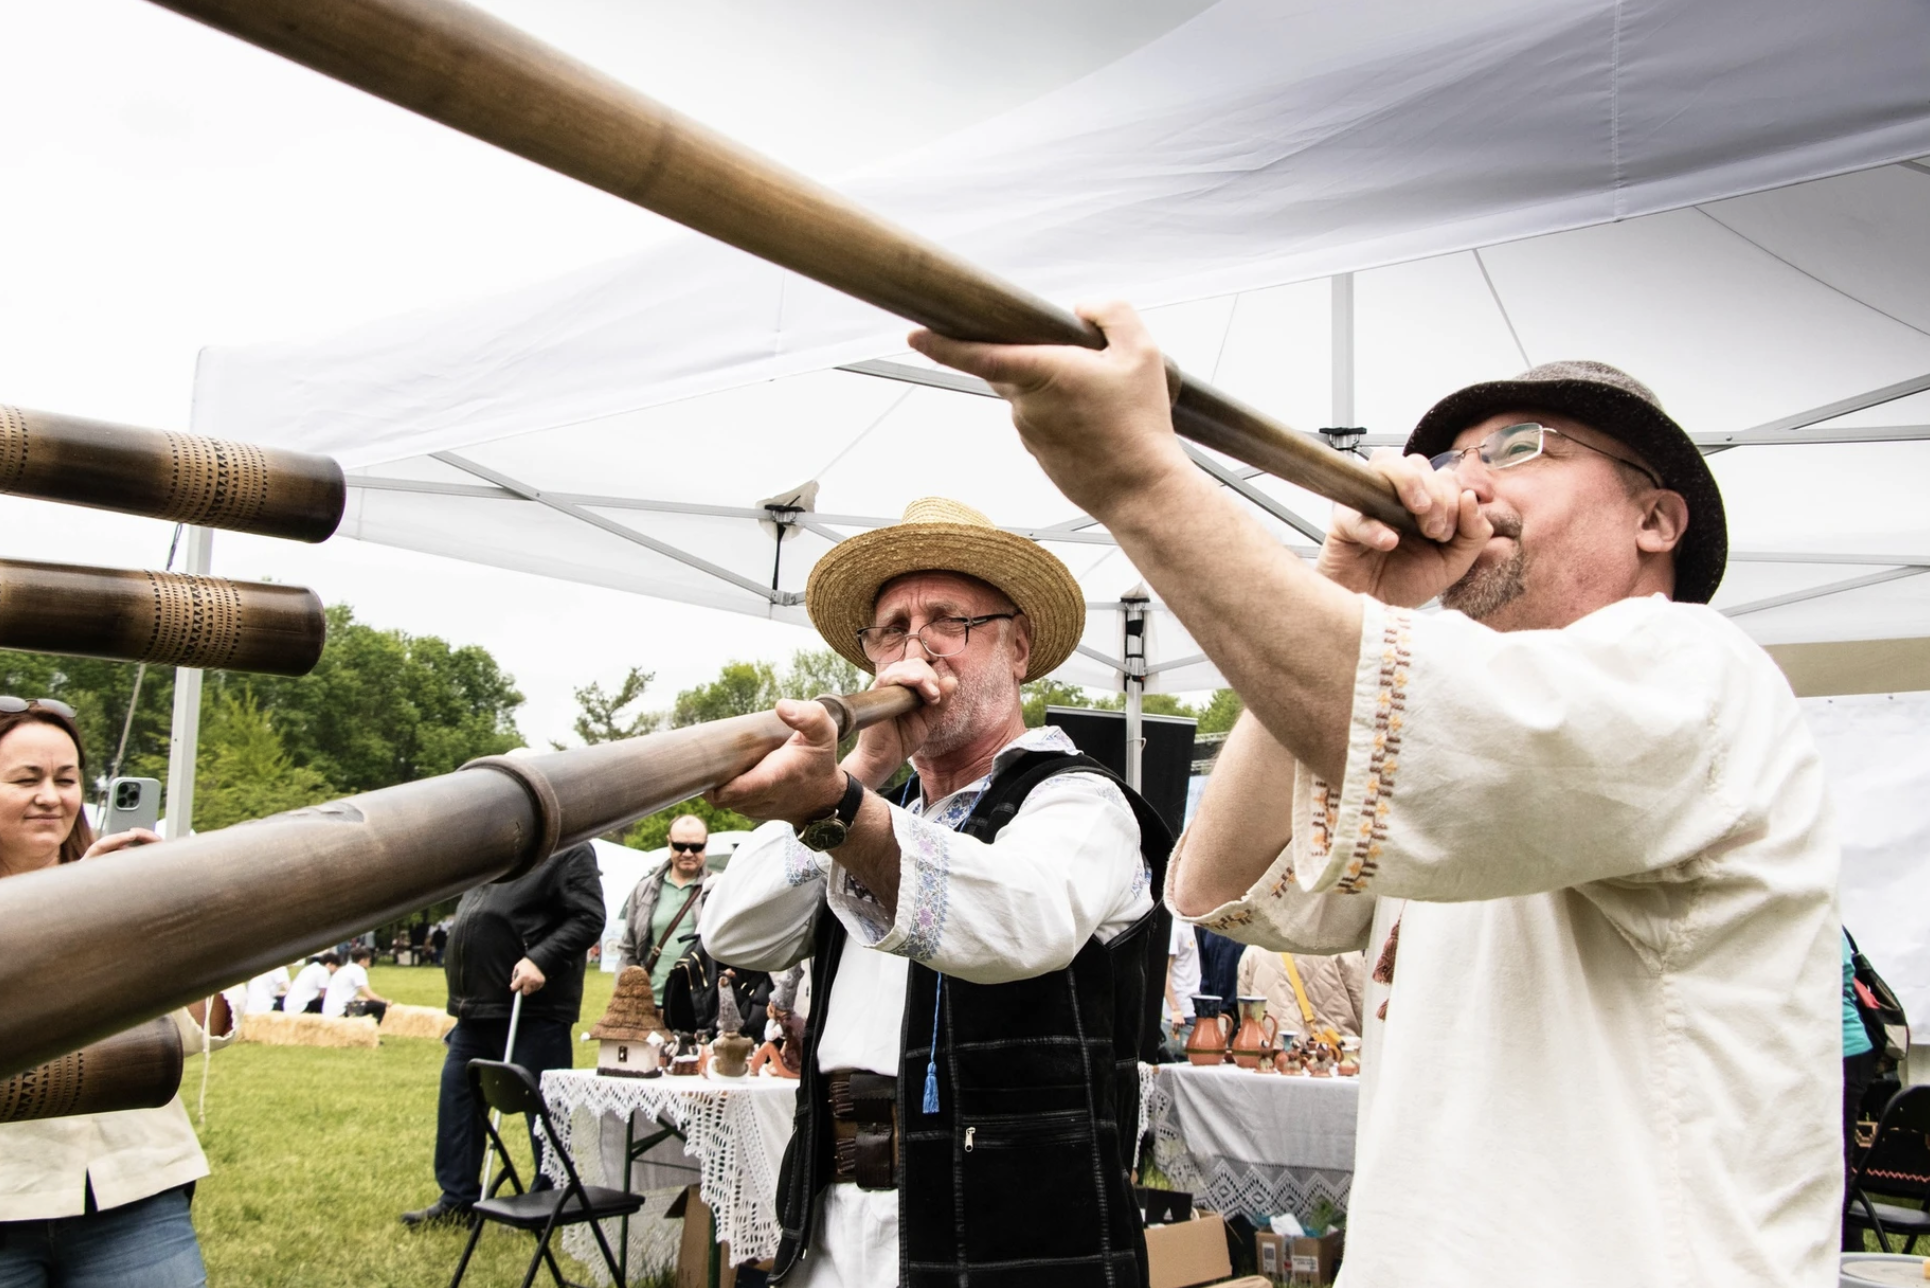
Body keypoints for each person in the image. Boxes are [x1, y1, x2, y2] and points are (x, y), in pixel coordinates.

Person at [911, 313, 1841, 1285]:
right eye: (1454, 455)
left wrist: (1137, 478)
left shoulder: (1692, 668)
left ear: (1654, 520)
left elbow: (1377, 706)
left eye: (1519, 449)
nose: (1464, 480)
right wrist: (1352, 588)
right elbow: (1216, 876)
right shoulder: (1464, 729)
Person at [698, 498, 1171, 1288]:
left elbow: (1023, 918)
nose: (915, 648)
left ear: (1017, 648)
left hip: (1011, 1236)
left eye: (948, 619)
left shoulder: (1080, 801)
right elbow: (733, 932)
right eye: (892, 628)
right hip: (837, 1224)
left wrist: (840, 809)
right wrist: (861, 771)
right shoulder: (864, 807)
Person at [0, 696, 235, 1287]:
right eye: (25, 779)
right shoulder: (91, 885)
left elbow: (203, 1035)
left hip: (132, 1189)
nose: (51, 797)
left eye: (67, 778)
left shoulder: (121, 885)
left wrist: (179, 920)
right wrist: (77, 900)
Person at [399, 839, 605, 1228]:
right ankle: (458, 1198)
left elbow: (588, 917)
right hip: (475, 1008)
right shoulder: (494, 851)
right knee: (459, 1100)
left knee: (544, 1111)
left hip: (533, 1008)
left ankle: (550, 1200)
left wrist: (539, 958)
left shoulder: (570, 848)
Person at [616, 814, 711, 1003]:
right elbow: (629, 948)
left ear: (706, 845)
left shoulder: (717, 888)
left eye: (696, 847)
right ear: (669, 843)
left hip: (698, 1005)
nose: (688, 853)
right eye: (680, 846)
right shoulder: (644, 889)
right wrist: (625, 991)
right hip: (650, 1002)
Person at [1235, 946, 1366, 1041]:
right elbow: (1363, 1005)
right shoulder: (1344, 946)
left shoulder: (1254, 950)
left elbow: (1246, 1013)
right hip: (1336, 1053)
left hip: (1275, 1054)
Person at [323, 946, 391, 1022]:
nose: (369, 964)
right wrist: (385, 1001)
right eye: (368, 961)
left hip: (329, 1011)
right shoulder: (359, 970)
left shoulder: (343, 969)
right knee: (380, 1006)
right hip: (343, 1010)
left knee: (368, 1004)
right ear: (362, 961)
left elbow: (349, 995)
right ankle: (373, 1030)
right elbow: (369, 994)